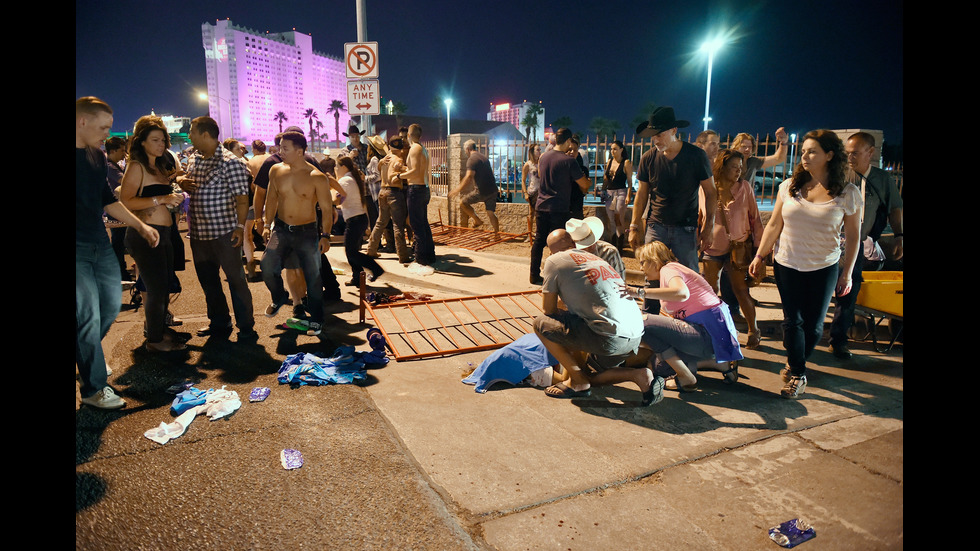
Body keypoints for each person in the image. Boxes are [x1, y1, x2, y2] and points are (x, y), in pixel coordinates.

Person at [749, 129, 862, 399]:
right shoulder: (788, 187)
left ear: (829, 155)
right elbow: (775, 223)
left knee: (813, 326)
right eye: (803, 151)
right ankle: (798, 372)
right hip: (787, 262)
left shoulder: (847, 193)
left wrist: (846, 274)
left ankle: (794, 359)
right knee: (792, 321)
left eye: (812, 151)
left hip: (824, 266)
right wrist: (759, 255)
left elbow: (854, 237)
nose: (805, 156)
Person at [76, 96, 160, 409]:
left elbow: (109, 202)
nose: (109, 134)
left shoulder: (96, 158)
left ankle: (87, 356)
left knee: (111, 306)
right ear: (82, 121)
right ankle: (93, 389)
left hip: (98, 242)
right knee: (87, 315)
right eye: (104, 127)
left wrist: (140, 225)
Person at [533, 233, 648, 404]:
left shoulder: (554, 260)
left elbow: (548, 309)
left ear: (550, 251)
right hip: (635, 338)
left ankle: (578, 380)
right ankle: (638, 375)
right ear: (574, 243)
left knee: (540, 323)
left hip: (609, 340)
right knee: (587, 370)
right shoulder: (594, 258)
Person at [177, 116, 257, 341]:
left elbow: (243, 199)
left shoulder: (231, 162)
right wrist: (182, 180)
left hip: (225, 232)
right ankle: (219, 323)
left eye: (192, 131)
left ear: (205, 134)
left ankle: (246, 326)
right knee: (208, 281)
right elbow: (187, 180)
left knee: (235, 280)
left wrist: (240, 227)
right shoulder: (195, 158)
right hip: (199, 233)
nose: (189, 135)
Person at [828, 131, 904, 359]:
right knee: (820, 289)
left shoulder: (882, 179)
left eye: (855, 153)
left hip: (856, 244)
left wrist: (899, 235)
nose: (849, 158)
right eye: (847, 153)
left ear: (870, 153)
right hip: (830, 242)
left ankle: (838, 340)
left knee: (848, 291)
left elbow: (895, 208)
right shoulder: (839, 176)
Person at [632, 241, 743, 391]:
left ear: (654, 259)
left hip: (707, 334)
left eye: (643, 262)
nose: (641, 268)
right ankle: (718, 363)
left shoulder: (668, 269)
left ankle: (686, 376)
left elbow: (682, 293)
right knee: (659, 368)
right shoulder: (672, 271)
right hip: (708, 337)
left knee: (642, 322)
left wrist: (639, 292)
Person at [260, 131, 340, 336]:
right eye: (280, 147)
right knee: (267, 265)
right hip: (281, 229)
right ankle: (279, 297)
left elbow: (326, 209)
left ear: (300, 151)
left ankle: (317, 319)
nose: (280, 152)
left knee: (313, 277)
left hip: (307, 232)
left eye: (285, 148)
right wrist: (267, 224)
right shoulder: (276, 171)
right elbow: (271, 199)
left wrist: (326, 235)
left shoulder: (317, 177)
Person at [119, 115, 187, 352]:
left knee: (164, 286)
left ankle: (160, 332)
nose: (162, 144)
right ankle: (155, 341)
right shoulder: (136, 166)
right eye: (156, 140)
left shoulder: (157, 166)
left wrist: (172, 200)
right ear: (142, 142)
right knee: (156, 289)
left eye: (163, 140)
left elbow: (158, 197)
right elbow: (125, 200)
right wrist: (162, 199)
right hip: (146, 234)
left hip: (165, 232)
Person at [628, 105, 715, 271]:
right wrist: (634, 226)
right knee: (652, 276)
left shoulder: (696, 155)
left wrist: (708, 227)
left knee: (688, 277)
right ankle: (653, 298)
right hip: (655, 227)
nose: (656, 140)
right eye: (653, 136)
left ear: (674, 130)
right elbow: (641, 194)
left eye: (660, 134)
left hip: (686, 228)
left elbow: (711, 193)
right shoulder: (648, 158)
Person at [701, 150, 764, 349]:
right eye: (734, 167)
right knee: (710, 291)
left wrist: (760, 250)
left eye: (740, 167)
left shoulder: (744, 187)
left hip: (739, 246)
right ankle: (713, 330)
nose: (738, 171)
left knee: (740, 290)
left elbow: (755, 218)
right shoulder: (708, 188)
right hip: (712, 247)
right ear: (722, 167)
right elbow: (700, 216)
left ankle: (753, 329)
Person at [528, 127, 591, 285]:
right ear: (569, 141)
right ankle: (555, 278)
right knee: (559, 245)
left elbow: (542, 176)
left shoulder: (543, 157)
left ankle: (534, 274)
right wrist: (588, 182)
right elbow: (584, 184)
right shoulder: (568, 161)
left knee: (539, 241)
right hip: (559, 208)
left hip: (541, 206)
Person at [335, 155, 384, 286]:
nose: (336, 169)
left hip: (355, 220)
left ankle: (376, 269)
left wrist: (332, 184)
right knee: (353, 251)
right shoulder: (352, 178)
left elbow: (337, 199)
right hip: (359, 219)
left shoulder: (345, 180)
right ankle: (357, 278)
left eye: (337, 166)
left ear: (344, 167)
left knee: (350, 252)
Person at [366, 137, 412, 264]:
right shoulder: (398, 160)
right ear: (402, 148)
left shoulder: (383, 160)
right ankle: (403, 255)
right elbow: (393, 179)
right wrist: (403, 173)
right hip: (394, 193)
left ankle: (371, 249)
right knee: (398, 225)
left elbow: (381, 171)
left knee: (380, 222)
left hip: (382, 192)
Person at [397, 123, 435, 272]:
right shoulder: (422, 149)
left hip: (416, 190)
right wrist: (403, 169)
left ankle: (420, 259)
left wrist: (399, 175)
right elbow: (417, 170)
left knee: (417, 226)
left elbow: (414, 172)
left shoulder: (414, 149)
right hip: (424, 188)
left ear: (408, 136)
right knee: (424, 224)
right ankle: (429, 255)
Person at [450, 139, 499, 232]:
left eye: (465, 150)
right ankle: (497, 235)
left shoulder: (472, 160)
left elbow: (469, 176)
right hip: (492, 189)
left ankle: (477, 220)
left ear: (468, 149)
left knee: (463, 203)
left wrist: (457, 190)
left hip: (481, 190)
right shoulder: (483, 157)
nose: (465, 153)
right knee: (490, 212)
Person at [104, 136, 130, 278]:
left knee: (119, 241)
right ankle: (120, 271)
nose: (124, 153)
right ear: (112, 151)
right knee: (118, 242)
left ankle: (120, 270)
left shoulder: (113, 164)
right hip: (115, 209)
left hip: (117, 208)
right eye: (121, 150)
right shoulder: (110, 166)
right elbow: (125, 181)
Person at [601, 140, 633, 250]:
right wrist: (603, 190)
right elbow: (606, 179)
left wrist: (629, 195)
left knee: (619, 217)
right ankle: (613, 244)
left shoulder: (626, 162)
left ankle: (620, 245)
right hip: (610, 193)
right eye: (611, 149)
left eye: (615, 149)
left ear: (621, 150)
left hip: (620, 192)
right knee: (611, 218)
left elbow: (629, 181)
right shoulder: (610, 161)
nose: (612, 151)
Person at [521, 143, 542, 232]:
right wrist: (525, 193)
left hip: (541, 190)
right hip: (533, 190)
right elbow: (523, 180)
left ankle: (539, 233)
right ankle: (530, 233)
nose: (539, 151)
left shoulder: (541, 163)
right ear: (532, 152)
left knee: (540, 213)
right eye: (537, 150)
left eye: (540, 150)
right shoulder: (528, 165)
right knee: (531, 213)